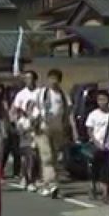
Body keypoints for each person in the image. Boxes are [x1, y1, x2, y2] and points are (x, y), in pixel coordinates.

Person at [30, 68, 75, 198]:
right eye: (51, 79)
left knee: (55, 157)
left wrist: (69, 129)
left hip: (57, 129)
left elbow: (68, 113)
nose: (53, 81)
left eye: (56, 79)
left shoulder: (63, 95)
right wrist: (34, 121)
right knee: (47, 157)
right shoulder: (41, 93)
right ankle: (52, 183)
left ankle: (46, 183)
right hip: (43, 128)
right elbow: (31, 107)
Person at [84, 90, 109, 201]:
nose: (102, 102)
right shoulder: (93, 114)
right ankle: (92, 188)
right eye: (99, 100)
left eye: (104, 99)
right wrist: (95, 142)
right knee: (94, 169)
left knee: (107, 170)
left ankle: (105, 193)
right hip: (96, 146)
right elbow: (89, 130)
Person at [11, 71, 41, 191]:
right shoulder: (21, 94)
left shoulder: (40, 93)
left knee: (35, 154)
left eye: (30, 78)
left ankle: (33, 178)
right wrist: (17, 124)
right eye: (26, 78)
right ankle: (26, 178)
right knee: (27, 154)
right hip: (25, 126)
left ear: (35, 79)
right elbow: (14, 110)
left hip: (38, 126)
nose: (28, 80)